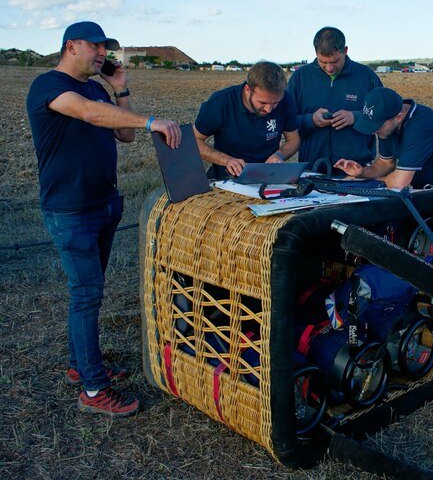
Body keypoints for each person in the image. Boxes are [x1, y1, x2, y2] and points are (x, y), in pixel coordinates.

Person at [26, 21, 181, 417]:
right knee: (86, 294)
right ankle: (93, 389)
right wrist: (150, 121)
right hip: (70, 209)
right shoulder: (48, 86)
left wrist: (121, 88)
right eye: (94, 47)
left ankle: (82, 366)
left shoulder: (98, 87)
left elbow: (123, 136)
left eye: (105, 48)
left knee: (88, 292)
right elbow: (91, 115)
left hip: (104, 203)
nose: (102, 54)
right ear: (70, 46)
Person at [334, 87, 433, 195]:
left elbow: (400, 182)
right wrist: (362, 172)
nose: (373, 131)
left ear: (399, 117)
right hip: (425, 191)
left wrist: (365, 184)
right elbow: (385, 164)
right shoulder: (387, 125)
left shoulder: (422, 125)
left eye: (377, 126)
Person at [287, 27, 382, 168]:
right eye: (323, 62)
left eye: (335, 61)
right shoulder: (300, 77)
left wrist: (354, 117)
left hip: (356, 168)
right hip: (312, 166)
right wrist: (311, 120)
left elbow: (383, 116)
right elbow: (286, 120)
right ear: (315, 52)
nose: (329, 68)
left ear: (345, 51)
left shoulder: (367, 77)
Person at [193, 61, 300, 179]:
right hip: (227, 180)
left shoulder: (285, 101)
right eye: (262, 102)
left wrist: (279, 155)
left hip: (267, 178)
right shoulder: (220, 103)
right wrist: (227, 160)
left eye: (275, 103)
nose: (269, 109)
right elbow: (194, 141)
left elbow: (293, 139)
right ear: (248, 89)